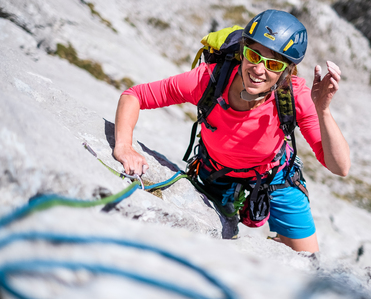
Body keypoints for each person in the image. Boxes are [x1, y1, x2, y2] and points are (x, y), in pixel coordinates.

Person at [113, 9, 350, 253]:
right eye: (253, 55)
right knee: (210, 249)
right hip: (217, 173)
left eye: (273, 64)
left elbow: (339, 167)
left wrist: (323, 111)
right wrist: (124, 146)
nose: (259, 69)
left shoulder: (294, 95)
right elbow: (135, 96)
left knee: (309, 260)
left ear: (286, 71)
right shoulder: (210, 81)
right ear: (242, 51)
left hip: (275, 175)